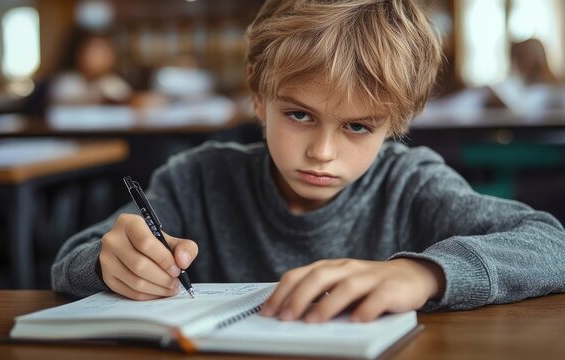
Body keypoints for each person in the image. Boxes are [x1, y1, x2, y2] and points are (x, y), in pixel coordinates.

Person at [51, 0, 565, 323]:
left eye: (358, 126)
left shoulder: (410, 183)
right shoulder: (198, 179)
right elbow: (70, 262)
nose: (322, 152)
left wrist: (423, 274)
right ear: (258, 93)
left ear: (397, 122)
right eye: (299, 115)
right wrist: (107, 262)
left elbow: (553, 243)